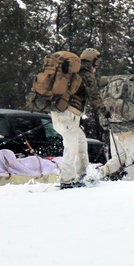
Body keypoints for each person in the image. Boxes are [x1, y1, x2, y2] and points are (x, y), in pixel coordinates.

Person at [50, 47, 103, 188]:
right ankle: (66, 180)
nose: (97, 66)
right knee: (71, 148)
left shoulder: (72, 71)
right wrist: (105, 112)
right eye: (97, 63)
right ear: (92, 61)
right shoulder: (86, 74)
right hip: (69, 115)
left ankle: (83, 174)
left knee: (80, 141)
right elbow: (94, 96)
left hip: (58, 113)